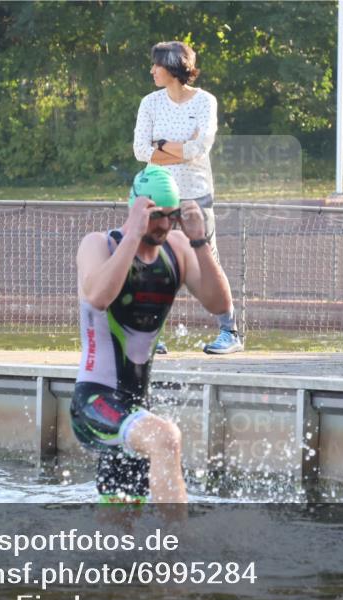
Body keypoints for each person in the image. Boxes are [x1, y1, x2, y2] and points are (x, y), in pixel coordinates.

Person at [72, 165, 233, 503]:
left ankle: (116, 557)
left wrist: (200, 240)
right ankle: (176, 552)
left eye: (170, 216)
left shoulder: (176, 248)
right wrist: (132, 234)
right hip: (94, 404)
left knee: (119, 525)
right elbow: (98, 297)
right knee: (166, 438)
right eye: (156, 215)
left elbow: (220, 305)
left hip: (135, 411)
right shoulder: (98, 245)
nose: (163, 225)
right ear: (136, 209)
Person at [133, 40, 243, 355]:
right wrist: (177, 148)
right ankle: (150, 333)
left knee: (207, 258)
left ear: (173, 67)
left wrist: (162, 144)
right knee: (154, 260)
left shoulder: (205, 101)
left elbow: (200, 148)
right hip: (158, 192)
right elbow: (142, 151)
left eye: (157, 64)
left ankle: (229, 332)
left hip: (197, 192)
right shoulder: (149, 103)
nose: (152, 70)